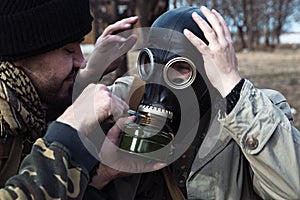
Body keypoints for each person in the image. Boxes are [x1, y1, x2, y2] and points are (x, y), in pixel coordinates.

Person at [87, 6, 300, 200]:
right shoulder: (125, 98)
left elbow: (293, 189)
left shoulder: (257, 113)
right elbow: (59, 162)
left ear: (211, 71)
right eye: (149, 63)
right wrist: (89, 75)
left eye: (180, 68)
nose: (160, 81)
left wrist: (234, 90)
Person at [0, 0, 144, 198]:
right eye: (68, 50)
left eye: (80, 45)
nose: (82, 60)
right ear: (21, 53)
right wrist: (66, 135)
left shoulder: (24, 102)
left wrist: (102, 175)